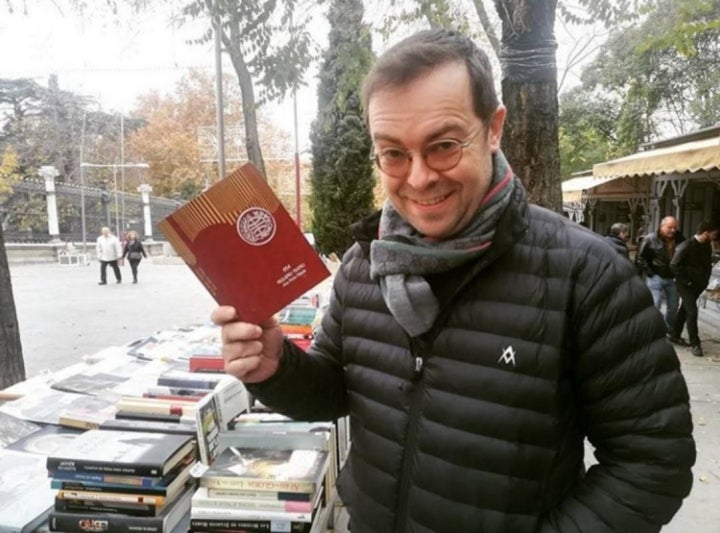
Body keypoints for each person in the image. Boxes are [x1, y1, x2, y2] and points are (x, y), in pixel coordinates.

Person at [212, 29, 695, 532]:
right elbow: (336, 392)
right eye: (393, 154)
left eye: (443, 145)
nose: (419, 178)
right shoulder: (365, 263)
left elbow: (653, 461)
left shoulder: (585, 274)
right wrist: (277, 367)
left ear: (493, 129)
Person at [670, 221, 718, 357]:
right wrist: (686, 281)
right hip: (685, 286)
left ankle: (675, 334)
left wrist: (705, 282)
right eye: (713, 234)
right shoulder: (686, 245)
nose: (714, 237)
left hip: (697, 285)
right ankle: (695, 344)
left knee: (685, 309)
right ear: (706, 233)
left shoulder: (706, 246)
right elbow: (674, 265)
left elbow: (707, 266)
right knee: (692, 312)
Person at [635, 216, 685, 335]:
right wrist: (650, 273)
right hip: (656, 277)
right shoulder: (650, 239)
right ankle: (652, 330)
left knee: (673, 307)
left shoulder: (680, 239)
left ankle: (669, 330)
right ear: (662, 227)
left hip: (673, 278)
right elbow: (640, 258)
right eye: (670, 227)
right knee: (655, 305)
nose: (673, 230)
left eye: (675, 227)